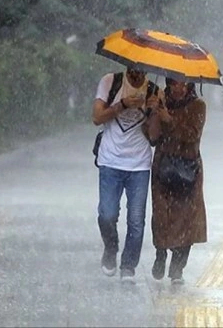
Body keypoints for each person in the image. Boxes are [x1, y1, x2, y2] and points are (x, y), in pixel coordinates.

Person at [92, 66, 159, 283]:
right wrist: (122, 105)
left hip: (139, 165)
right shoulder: (111, 82)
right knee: (107, 214)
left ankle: (129, 265)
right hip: (110, 161)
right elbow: (97, 117)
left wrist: (153, 112)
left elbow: (155, 137)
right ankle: (111, 247)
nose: (137, 76)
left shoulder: (154, 91)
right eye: (134, 70)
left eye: (142, 71)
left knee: (136, 219)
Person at [147, 77, 207, 284]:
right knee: (162, 215)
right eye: (174, 83)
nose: (178, 88)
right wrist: (155, 112)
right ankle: (161, 253)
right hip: (163, 167)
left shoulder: (198, 105)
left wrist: (168, 119)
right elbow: (152, 137)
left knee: (187, 220)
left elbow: (191, 135)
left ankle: (177, 267)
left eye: (183, 83)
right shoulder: (161, 100)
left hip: (188, 168)